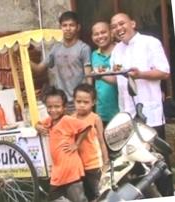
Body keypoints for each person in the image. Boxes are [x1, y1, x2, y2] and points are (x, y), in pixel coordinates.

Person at [109, 13, 172, 196]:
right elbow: (119, 80)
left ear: (133, 23)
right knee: (135, 162)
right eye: (114, 26)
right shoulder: (116, 50)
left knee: (157, 160)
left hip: (149, 112)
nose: (118, 28)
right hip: (127, 114)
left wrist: (140, 74)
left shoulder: (150, 43)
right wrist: (102, 75)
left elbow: (164, 72)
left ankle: (167, 195)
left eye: (122, 23)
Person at [31, 11, 92, 113]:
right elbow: (39, 69)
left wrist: (88, 99)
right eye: (64, 25)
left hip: (79, 102)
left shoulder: (84, 48)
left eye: (71, 25)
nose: (68, 28)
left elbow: (88, 77)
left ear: (78, 27)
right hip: (61, 102)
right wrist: (24, 58)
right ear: (61, 28)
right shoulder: (56, 48)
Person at [35, 87, 89, 202]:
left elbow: (86, 127)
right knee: (54, 197)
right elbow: (38, 124)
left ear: (64, 107)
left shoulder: (67, 120)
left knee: (78, 199)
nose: (53, 110)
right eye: (49, 107)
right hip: (58, 171)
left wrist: (76, 144)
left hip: (70, 168)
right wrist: (38, 127)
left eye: (57, 106)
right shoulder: (50, 121)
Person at [72, 83, 109, 202]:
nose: (82, 105)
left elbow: (102, 141)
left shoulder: (95, 118)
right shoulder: (71, 119)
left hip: (94, 164)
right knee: (86, 195)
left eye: (86, 102)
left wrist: (106, 161)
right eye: (78, 101)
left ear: (93, 102)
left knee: (100, 193)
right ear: (74, 101)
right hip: (78, 166)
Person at [91, 21, 119, 126]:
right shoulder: (94, 55)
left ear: (111, 33)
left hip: (122, 109)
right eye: (96, 34)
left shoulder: (121, 50)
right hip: (103, 110)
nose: (100, 36)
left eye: (103, 32)